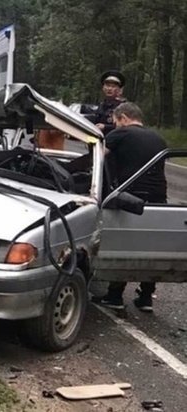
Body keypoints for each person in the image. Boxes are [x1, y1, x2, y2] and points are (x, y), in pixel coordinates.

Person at [92, 102, 167, 312]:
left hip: (129, 197)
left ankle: (115, 296)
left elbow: (97, 158)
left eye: (115, 122)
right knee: (152, 248)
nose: (115, 126)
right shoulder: (159, 138)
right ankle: (145, 298)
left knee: (124, 244)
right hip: (158, 199)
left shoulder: (121, 134)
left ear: (123, 118)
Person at [93, 70, 126, 136]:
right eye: (107, 86)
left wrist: (105, 127)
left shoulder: (123, 107)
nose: (109, 89)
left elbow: (125, 127)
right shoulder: (101, 105)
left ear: (119, 90)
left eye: (113, 86)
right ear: (103, 88)